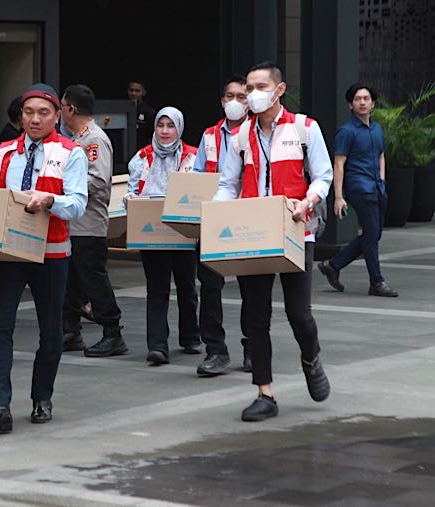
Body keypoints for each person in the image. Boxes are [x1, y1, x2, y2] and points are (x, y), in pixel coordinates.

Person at [215, 61, 332, 422]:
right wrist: (218, 214)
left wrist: (308, 201)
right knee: (255, 316)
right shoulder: (238, 137)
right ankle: (264, 392)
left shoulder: (304, 128)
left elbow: (323, 176)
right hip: (254, 232)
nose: (252, 94)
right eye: (248, 88)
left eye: (260, 86)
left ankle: (311, 359)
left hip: (297, 229)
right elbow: (228, 184)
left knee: (299, 314)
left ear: (279, 90)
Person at [0, 83, 88, 433]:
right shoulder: (7, 150)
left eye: (43, 113)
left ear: (57, 115)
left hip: (51, 252)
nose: (35, 119)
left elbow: (78, 204)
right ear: (20, 116)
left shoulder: (71, 152)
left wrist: (50, 200)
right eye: (29, 112)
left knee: (51, 331)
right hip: (8, 252)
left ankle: (41, 396)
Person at [126, 107, 201, 366]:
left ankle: (191, 336)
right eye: (161, 125)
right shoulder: (142, 157)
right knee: (156, 288)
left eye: (171, 126)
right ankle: (157, 345)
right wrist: (130, 200)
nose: (165, 131)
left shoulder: (194, 156)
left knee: (187, 285)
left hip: (183, 230)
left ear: (179, 128)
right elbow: (132, 190)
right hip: (152, 231)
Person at [59, 84, 127, 357]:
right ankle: (70, 330)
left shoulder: (94, 139)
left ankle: (113, 332)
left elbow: (98, 181)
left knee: (94, 280)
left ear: (71, 109)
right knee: (71, 281)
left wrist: (61, 186)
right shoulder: (78, 138)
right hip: (72, 225)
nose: (60, 112)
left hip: (88, 224)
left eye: (62, 107)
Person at [190, 76, 252, 375]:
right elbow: (199, 177)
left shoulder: (258, 133)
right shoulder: (210, 136)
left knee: (251, 289)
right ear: (222, 100)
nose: (235, 102)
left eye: (242, 96)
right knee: (210, 288)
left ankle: (253, 347)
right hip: (214, 222)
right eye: (230, 96)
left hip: (248, 220)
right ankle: (215, 350)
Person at [318, 83, 398, 297]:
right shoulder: (347, 131)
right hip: (359, 188)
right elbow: (339, 164)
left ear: (373, 103)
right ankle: (376, 281)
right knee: (371, 235)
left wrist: (382, 179)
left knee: (374, 234)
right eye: (357, 99)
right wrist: (339, 197)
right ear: (350, 105)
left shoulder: (377, 129)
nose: (362, 102)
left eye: (366, 99)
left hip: (377, 187)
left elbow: (381, 154)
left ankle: (333, 265)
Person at [128, 80, 156, 153]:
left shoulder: (149, 112)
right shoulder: (122, 111)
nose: (133, 93)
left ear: (143, 93)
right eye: (131, 90)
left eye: (137, 91)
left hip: (142, 151)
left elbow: (152, 135)